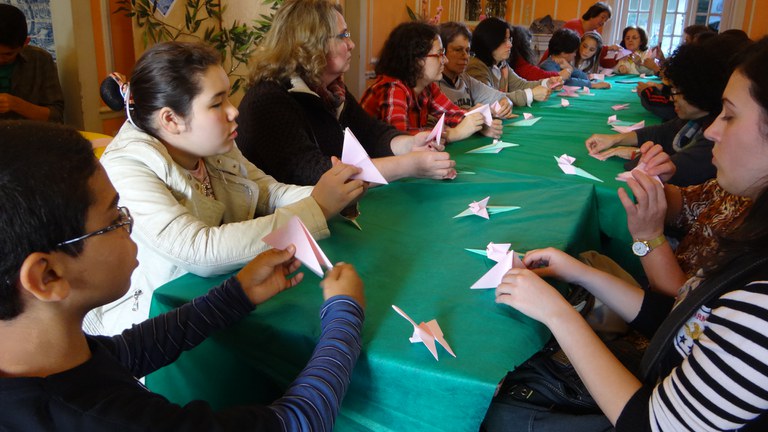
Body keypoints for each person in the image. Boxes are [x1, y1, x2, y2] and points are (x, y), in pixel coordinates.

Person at [0, 120, 366, 431]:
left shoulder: (39, 361)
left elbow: (123, 354)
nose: (129, 224)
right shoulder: (114, 421)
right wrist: (345, 315)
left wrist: (236, 294)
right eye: (114, 220)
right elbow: (297, 421)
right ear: (46, 276)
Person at [485, 36, 768, 431]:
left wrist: (558, 314)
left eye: (731, 115)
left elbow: (650, 423)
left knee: (491, 412)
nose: (713, 131)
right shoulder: (751, 225)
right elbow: (680, 320)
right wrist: (578, 272)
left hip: (646, 401)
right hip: (660, 369)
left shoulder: (759, 305)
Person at [95, 41, 364, 335]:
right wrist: (318, 207)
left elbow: (267, 192)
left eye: (228, 98)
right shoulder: (127, 166)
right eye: (216, 103)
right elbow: (197, 250)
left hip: (225, 298)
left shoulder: (213, 140)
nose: (233, 111)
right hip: (155, 329)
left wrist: (335, 191)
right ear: (171, 119)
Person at [236, 0, 457, 186]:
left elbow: (372, 134)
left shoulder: (332, 91)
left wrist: (410, 144)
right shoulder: (267, 101)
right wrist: (410, 165)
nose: (351, 44)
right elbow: (314, 173)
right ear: (311, 43)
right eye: (342, 36)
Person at [586, 34, 750, 186]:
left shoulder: (712, 139)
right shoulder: (697, 119)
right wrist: (615, 139)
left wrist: (636, 154)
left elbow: (667, 170)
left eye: (676, 90)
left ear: (698, 91)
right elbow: (664, 131)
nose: (671, 97)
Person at [361, 21, 502, 142]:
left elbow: (452, 113)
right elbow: (401, 140)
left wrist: (479, 124)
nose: (445, 60)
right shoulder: (392, 89)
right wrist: (453, 134)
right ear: (416, 60)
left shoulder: (427, 87)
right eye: (439, 54)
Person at [466, 17, 555, 107]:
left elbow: (520, 85)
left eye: (509, 39)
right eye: (504, 40)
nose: (510, 45)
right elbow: (491, 98)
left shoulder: (502, 64)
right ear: (490, 42)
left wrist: (546, 83)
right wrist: (530, 94)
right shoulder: (475, 66)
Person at [0, 4, 64, 122]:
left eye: (8, 54)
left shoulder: (40, 60)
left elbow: (56, 116)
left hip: (31, 136)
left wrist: (16, 104)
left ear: (25, 42)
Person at [437, 21, 514, 116]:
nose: (465, 56)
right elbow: (433, 121)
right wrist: (469, 113)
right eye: (458, 50)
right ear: (441, 52)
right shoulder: (432, 84)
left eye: (468, 51)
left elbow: (498, 96)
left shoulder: (465, 79)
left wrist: (506, 102)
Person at [539, 28, 611, 89]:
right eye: (574, 52)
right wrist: (592, 85)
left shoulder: (563, 63)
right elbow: (566, 82)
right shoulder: (547, 66)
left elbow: (585, 77)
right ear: (564, 53)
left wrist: (570, 68)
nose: (575, 54)